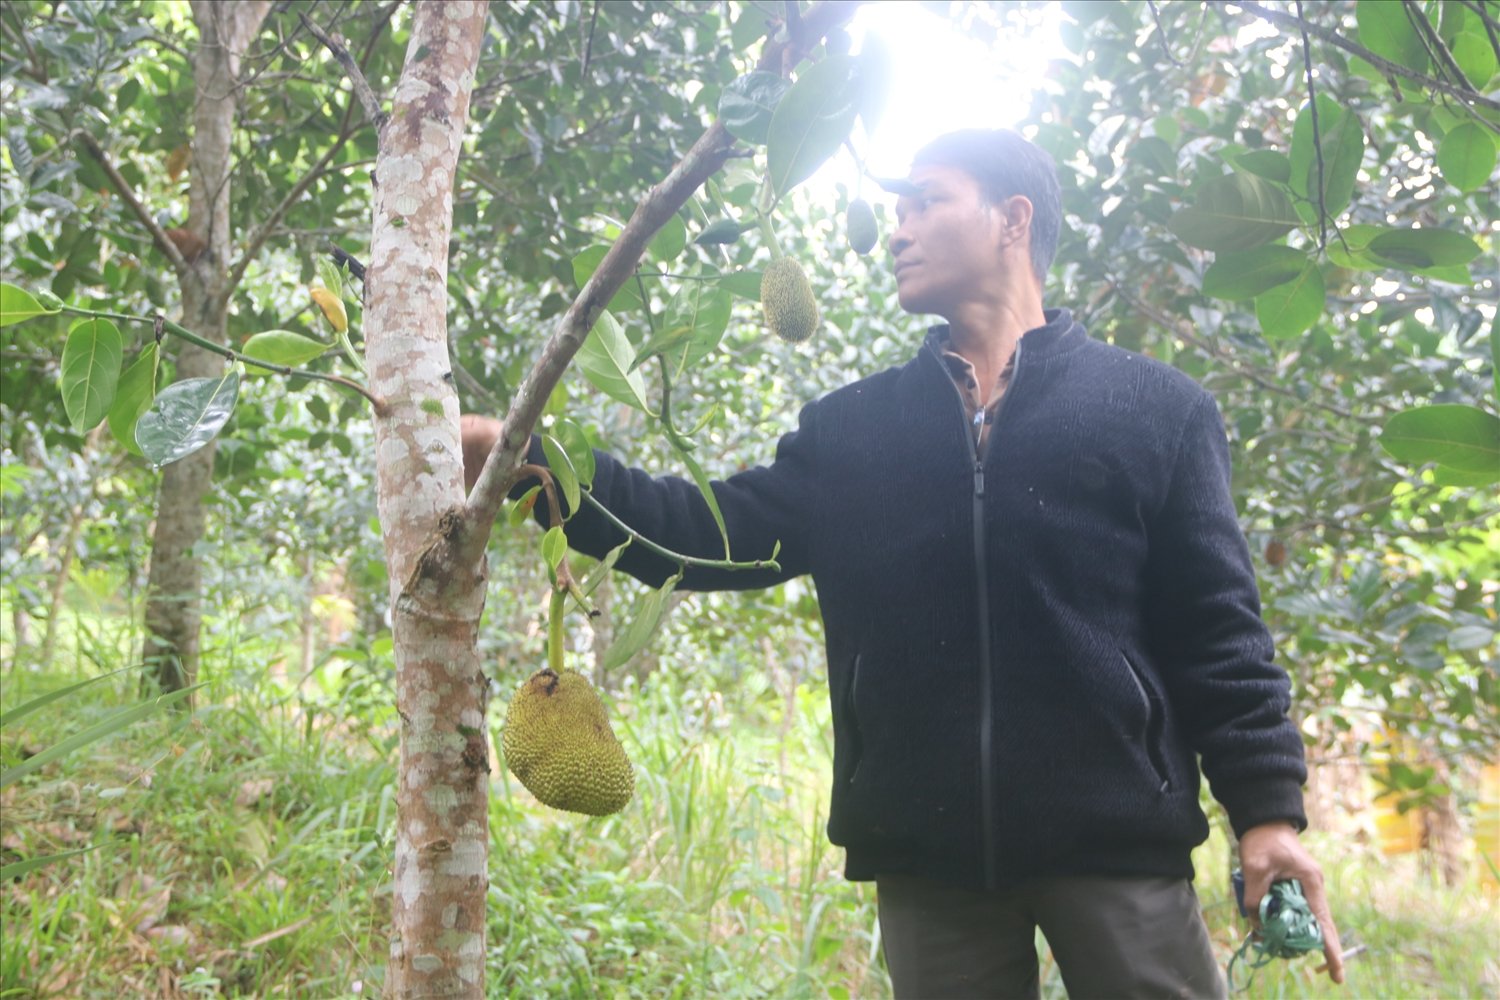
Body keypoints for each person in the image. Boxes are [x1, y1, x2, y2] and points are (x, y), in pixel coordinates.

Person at [462, 128, 1344, 999]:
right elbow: (703, 534)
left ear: (1013, 219)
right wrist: (534, 465)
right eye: (895, 210)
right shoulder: (851, 430)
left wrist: (1266, 812)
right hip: (924, 854)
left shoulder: (1155, 410)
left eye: (927, 202)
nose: (898, 230)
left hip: (1115, 844)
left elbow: (1219, 630)